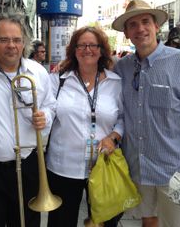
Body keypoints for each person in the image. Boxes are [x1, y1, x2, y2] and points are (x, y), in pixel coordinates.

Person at [111, 0, 180, 227]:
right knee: (148, 221)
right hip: (139, 168)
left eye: (146, 22)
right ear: (127, 33)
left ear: (157, 26)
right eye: (133, 24)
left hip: (176, 172)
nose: (140, 29)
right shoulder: (122, 68)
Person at [0, 10, 56, 227]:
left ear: (24, 42)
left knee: (27, 222)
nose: (11, 45)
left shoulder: (38, 72)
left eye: (17, 39)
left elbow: (50, 105)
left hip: (28, 164)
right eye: (4, 39)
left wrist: (45, 116)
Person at [46, 26, 124, 227]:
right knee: (61, 222)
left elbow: (123, 118)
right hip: (63, 166)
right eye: (81, 45)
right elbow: (47, 111)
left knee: (104, 222)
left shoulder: (116, 83)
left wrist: (114, 136)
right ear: (74, 49)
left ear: (101, 50)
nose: (87, 49)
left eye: (92, 45)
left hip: (103, 165)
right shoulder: (58, 80)